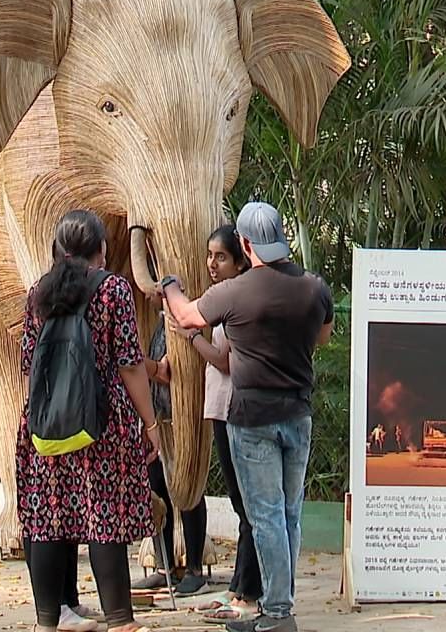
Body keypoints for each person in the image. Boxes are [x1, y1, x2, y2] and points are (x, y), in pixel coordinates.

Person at [162, 202, 334, 632]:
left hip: (252, 416)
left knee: (266, 516)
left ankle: (277, 613)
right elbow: (324, 336)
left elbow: (186, 315)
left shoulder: (236, 291)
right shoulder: (314, 287)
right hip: (298, 413)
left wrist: (169, 285)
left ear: (244, 244)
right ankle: (281, 603)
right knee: (289, 513)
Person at [17, 210, 160, 632]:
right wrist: (149, 422)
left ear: (58, 250)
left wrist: (40, 416)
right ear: (101, 249)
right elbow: (130, 364)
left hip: (46, 420)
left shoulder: (37, 294)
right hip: (104, 420)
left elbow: (29, 365)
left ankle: (47, 620)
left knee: (47, 517)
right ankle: (120, 619)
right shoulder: (113, 290)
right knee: (105, 515)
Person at [163, 225, 261, 621]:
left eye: (220, 257)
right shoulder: (227, 301)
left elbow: (225, 361)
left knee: (247, 506)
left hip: (234, 410)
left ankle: (247, 592)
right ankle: (238, 587)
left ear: (240, 260)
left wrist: (189, 339)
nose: (212, 264)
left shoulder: (239, 301)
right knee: (243, 506)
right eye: (209, 256)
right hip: (221, 411)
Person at [133, 312, 210, 596]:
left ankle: (194, 570)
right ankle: (163, 568)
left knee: (189, 490)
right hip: (160, 419)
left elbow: (173, 372)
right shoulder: (159, 321)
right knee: (157, 489)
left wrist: (148, 367)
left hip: (183, 419)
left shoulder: (187, 320)